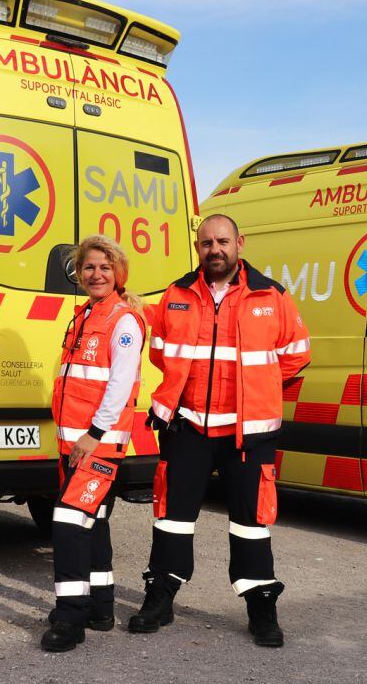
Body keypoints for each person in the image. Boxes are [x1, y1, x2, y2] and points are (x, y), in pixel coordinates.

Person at [127, 213, 310, 647]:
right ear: (198, 247)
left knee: (252, 523)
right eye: (206, 243)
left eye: (223, 241)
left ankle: (261, 604)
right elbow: (162, 354)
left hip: (249, 432)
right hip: (187, 426)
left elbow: (295, 357)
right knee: (171, 518)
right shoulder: (177, 294)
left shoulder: (272, 295)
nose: (215, 250)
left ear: (240, 243)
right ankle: (161, 597)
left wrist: (257, 391)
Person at [41, 235, 146, 653]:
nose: (96, 274)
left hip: (97, 446)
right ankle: (101, 608)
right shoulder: (85, 314)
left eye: (105, 267)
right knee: (94, 522)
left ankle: (70, 620)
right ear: (79, 273)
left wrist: (95, 433)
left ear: (118, 272)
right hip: (75, 446)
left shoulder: (122, 319)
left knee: (67, 526)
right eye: (88, 267)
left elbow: (119, 386)